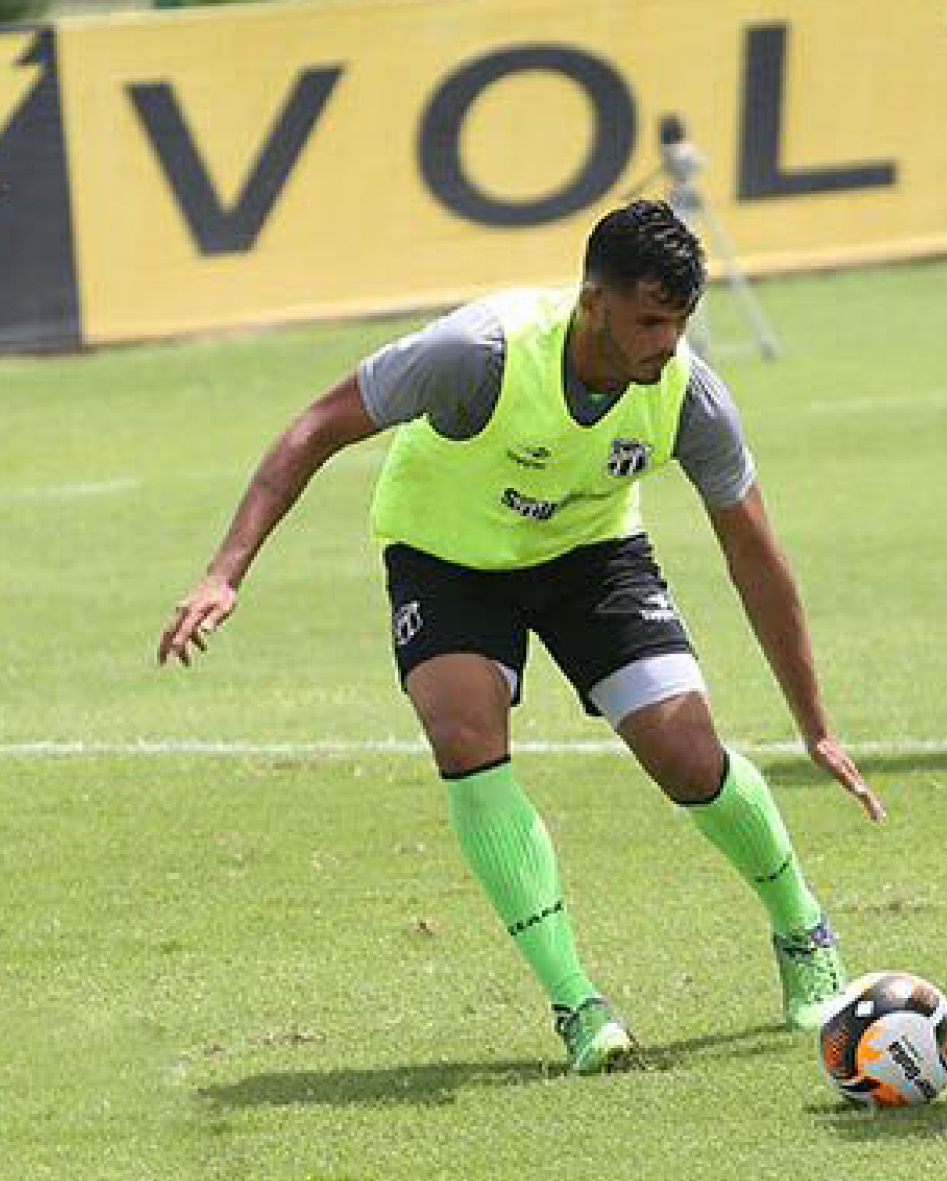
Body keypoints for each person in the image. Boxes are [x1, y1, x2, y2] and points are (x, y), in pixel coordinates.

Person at [158, 200, 884, 1074]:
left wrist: (815, 722)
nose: (667, 342)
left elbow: (755, 556)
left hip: (592, 554)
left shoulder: (691, 394)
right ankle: (578, 1004)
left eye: (681, 322)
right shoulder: (477, 355)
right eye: (650, 320)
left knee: (687, 752)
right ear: (593, 302)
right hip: (447, 553)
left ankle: (802, 928)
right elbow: (315, 427)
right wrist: (224, 571)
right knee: (465, 734)